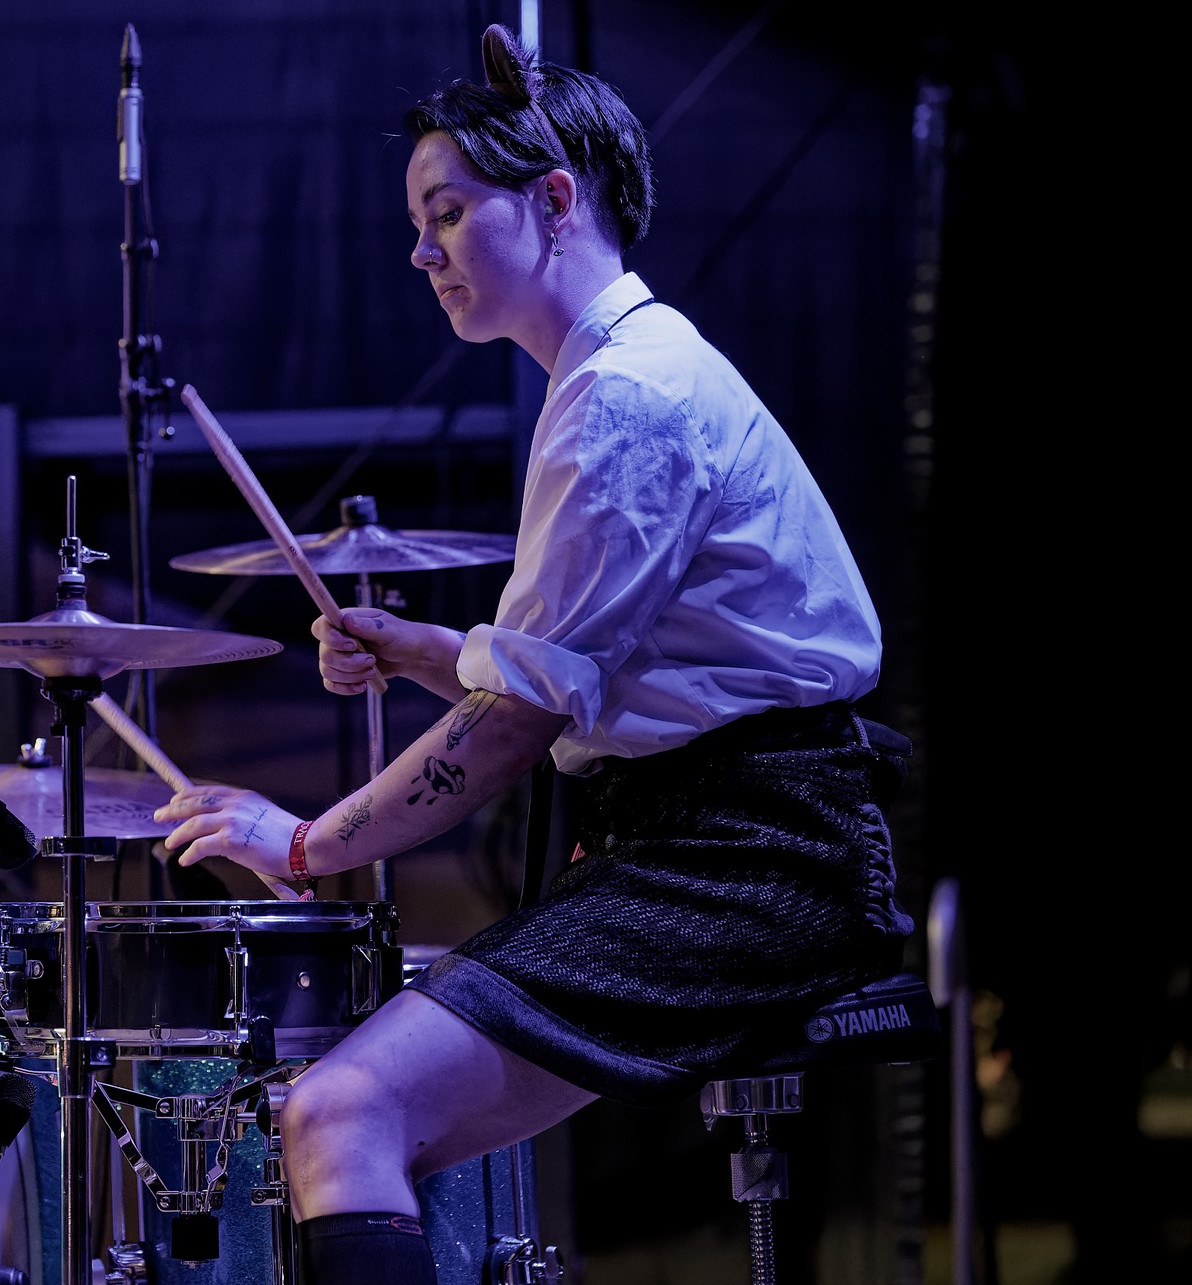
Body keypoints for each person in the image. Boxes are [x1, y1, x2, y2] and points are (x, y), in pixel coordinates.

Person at [153, 25, 918, 1285]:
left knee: (343, 1111)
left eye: (447, 213)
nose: (421, 252)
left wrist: (301, 845)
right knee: (366, 1118)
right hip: (719, 835)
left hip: (749, 857)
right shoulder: (622, 373)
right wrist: (427, 650)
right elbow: (612, 663)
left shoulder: (626, 396)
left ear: (556, 199)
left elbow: (517, 721)